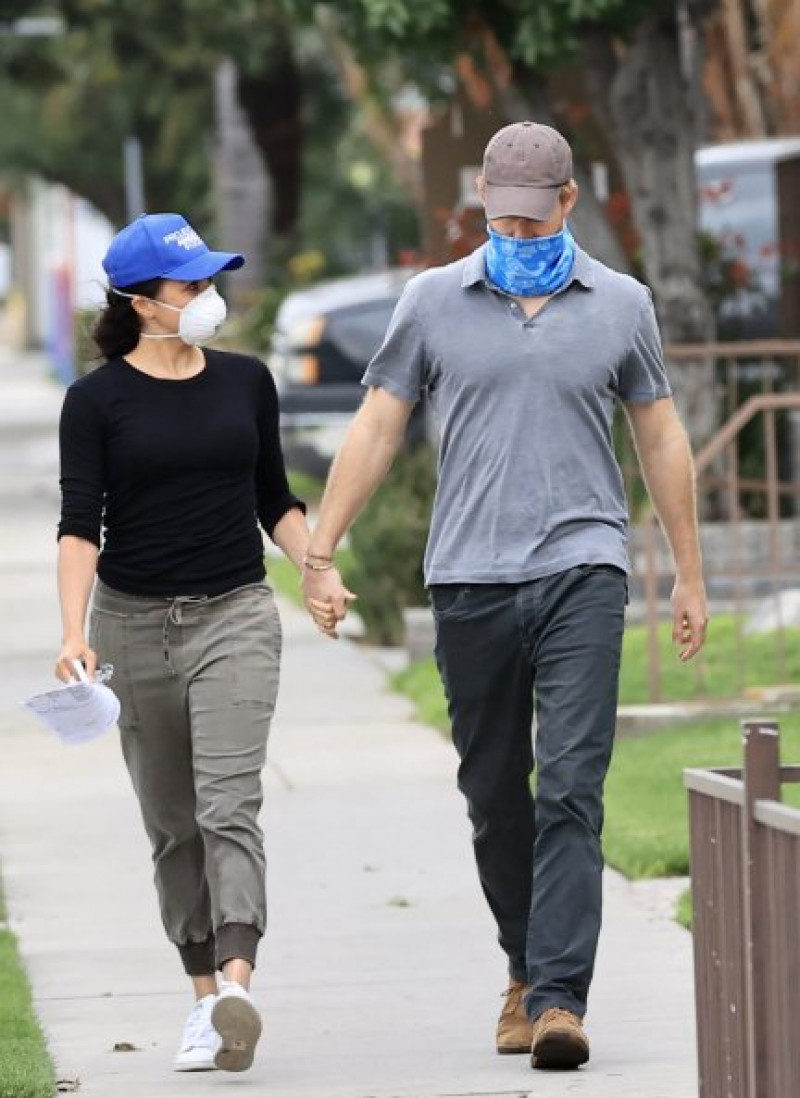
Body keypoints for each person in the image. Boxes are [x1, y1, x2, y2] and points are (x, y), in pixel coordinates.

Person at [301, 122, 708, 1071]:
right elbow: (375, 427)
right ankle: (523, 969)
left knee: (571, 786)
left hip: (583, 569)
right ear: (481, 203)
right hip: (470, 578)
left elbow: (660, 437)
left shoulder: (622, 304)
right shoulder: (433, 300)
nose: (519, 238)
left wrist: (687, 572)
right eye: (502, 220)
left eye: (534, 220)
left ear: (570, 202)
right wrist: (320, 550)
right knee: (494, 796)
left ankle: (560, 999)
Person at [54, 213, 328, 1074]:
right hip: (131, 628)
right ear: (140, 302)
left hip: (236, 614)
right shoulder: (95, 401)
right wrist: (72, 633)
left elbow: (274, 495)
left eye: (211, 282)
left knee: (227, 806)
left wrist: (313, 566)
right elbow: (77, 527)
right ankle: (205, 1002)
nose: (207, 298)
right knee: (173, 829)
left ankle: (238, 985)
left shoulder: (246, 381)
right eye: (190, 287)